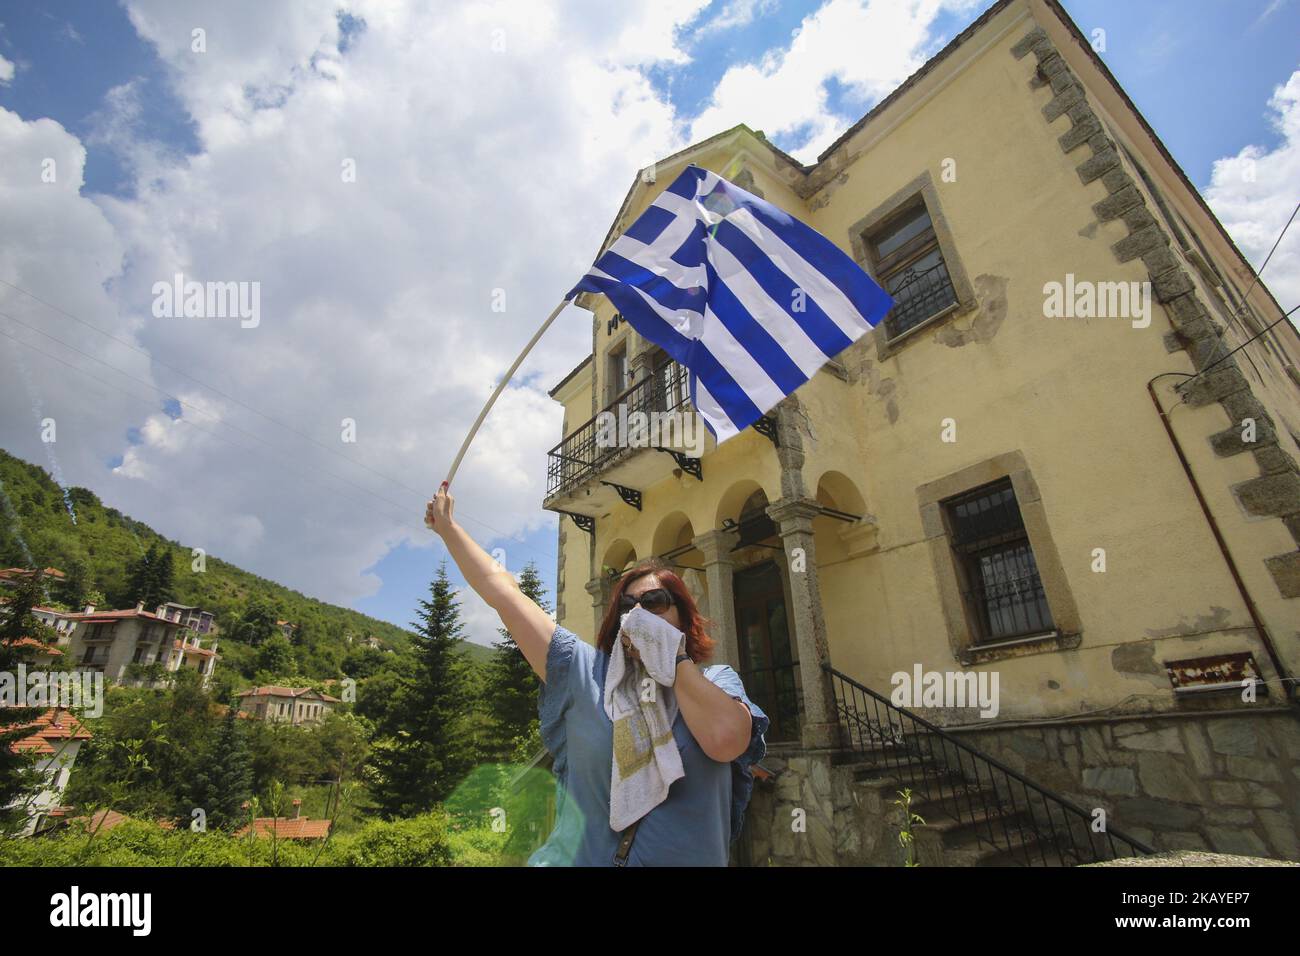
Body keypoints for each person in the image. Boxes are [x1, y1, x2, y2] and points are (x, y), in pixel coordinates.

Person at [425, 481, 768, 866]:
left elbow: (725, 740)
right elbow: (504, 594)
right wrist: (448, 529)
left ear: (682, 619)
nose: (639, 613)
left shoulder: (717, 681)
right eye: (628, 604)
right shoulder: (583, 671)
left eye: (654, 602)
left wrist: (672, 660)